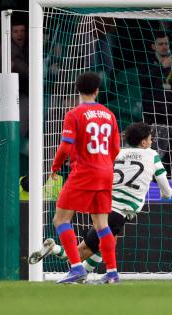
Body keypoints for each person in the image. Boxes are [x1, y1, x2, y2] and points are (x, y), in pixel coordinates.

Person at [29, 122, 172, 273]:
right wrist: (164, 195)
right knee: (80, 252)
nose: (151, 142)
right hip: (118, 211)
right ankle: (56, 249)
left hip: (104, 205)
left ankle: (84, 273)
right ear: (143, 142)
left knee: (107, 243)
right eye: (150, 139)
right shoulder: (151, 154)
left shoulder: (118, 153)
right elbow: (167, 190)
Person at [49, 72, 121, 284]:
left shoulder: (74, 114)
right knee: (101, 223)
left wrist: (55, 166)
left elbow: (65, 145)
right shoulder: (109, 114)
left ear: (78, 90)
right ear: (97, 90)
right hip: (106, 172)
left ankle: (77, 267)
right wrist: (104, 164)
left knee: (61, 219)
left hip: (84, 172)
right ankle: (112, 272)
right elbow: (115, 148)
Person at [139, 32, 172, 176]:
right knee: (151, 156)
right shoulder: (146, 64)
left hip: (171, 116)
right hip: (152, 117)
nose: (164, 47)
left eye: (166, 44)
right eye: (160, 44)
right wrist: (161, 67)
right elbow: (143, 81)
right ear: (153, 46)